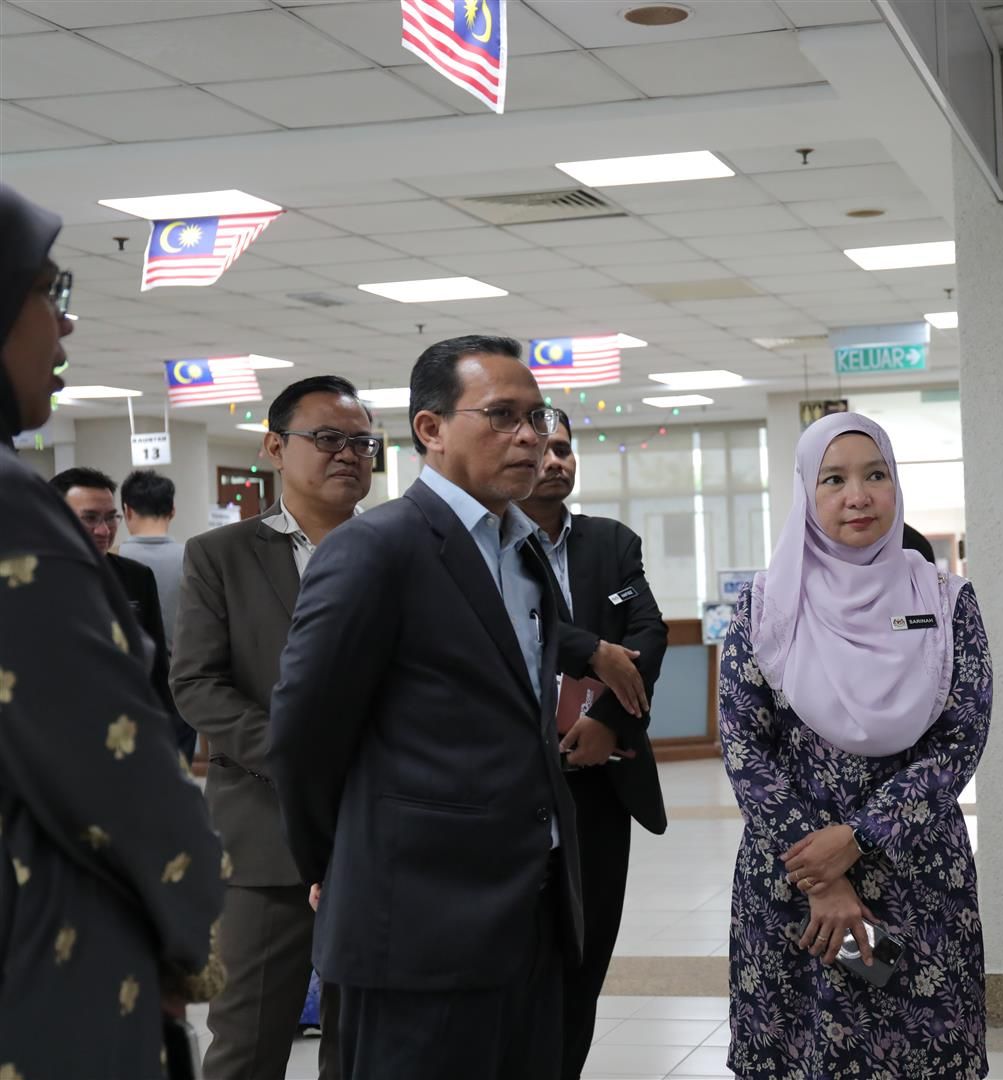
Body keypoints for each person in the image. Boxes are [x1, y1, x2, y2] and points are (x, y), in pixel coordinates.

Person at [267, 335, 594, 1080]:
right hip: (416, 921)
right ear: (431, 428)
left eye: (537, 417)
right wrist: (337, 859)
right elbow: (303, 735)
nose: (529, 437)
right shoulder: (376, 549)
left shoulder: (526, 552)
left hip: (533, 909)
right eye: (502, 415)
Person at [0, 182, 225, 1078]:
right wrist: (188, 927)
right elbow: (110, 763)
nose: (64, 327)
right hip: (46, 967)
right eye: (46, 291)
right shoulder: (11, 510)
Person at [719, 411, 992, 1079]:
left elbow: (959, 739)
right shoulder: (763, 608)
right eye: (833, 480)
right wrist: (823, 873)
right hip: (794, 884)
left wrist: (860, 838)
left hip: (916, 877)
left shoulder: (947, 602)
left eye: (875, 475)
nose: (858, 497)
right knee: (801, 1055)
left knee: (923, 1054)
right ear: (805, 493)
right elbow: (746, 750)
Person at [170, 374, 376, 1080]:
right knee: (249, 1041)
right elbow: (197, 685)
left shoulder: (405, 549)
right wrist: (296, 757)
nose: (348, 454)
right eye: (327, 438)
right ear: (275, 448)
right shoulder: (221, 555)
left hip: (381, 827)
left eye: (362, 443)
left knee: (366, 1042)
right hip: (265, 833)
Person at [516, 409, 669, 1080]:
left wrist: (609, 716)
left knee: (587, 954)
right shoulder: (486, 547)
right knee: (525, 957)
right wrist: (590, 652)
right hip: (518, 784)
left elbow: (649, 633)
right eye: (543, 449)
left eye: (565, 449)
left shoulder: (611, 543)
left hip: (602, 782)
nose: (556, 461)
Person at [52, 465, 191, 757]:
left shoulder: (136, 577)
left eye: (110, 518)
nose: (104, 530)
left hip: (128, 731)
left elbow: (157, 670)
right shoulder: (30, 582)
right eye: (90, 518)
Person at [118, 468, 184, 647]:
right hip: (182, 662)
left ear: (127, 510)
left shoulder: (113, 558)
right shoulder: (193, 557)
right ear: (172, 511)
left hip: (130, 662)